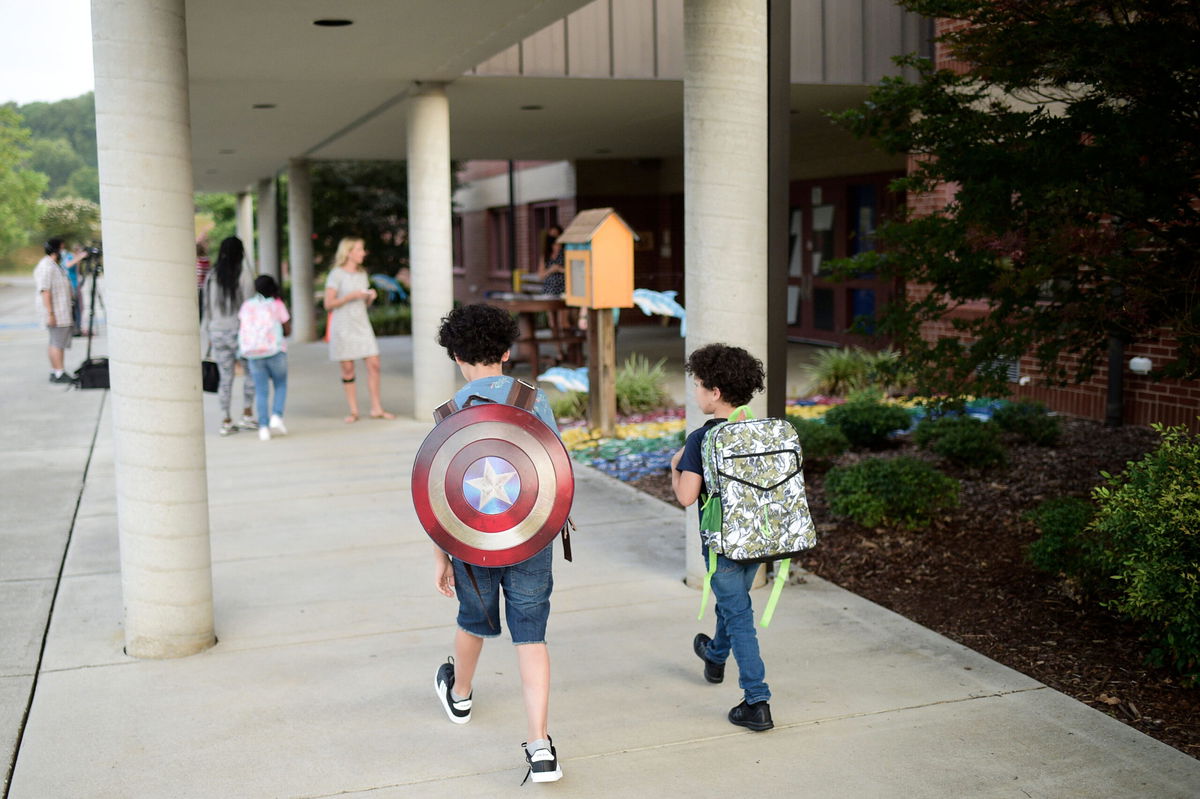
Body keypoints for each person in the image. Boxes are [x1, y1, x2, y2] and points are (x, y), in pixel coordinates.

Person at [431, 304, 564, 784]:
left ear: (457, 357)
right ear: (507, 352)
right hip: (531, 535)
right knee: (531, 635)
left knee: (474, 619)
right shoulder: (535, 400)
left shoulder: (451, 414)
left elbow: (438, 494)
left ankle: (460, 694)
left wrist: (442, 556)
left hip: (471, 542)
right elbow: (555, 468)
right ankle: (540, 745)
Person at [670, 343, 774, 732]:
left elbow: (685, 497)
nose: (695, 392)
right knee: (732, 605)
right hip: (760, 538)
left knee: (739, 614)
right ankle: (714, 655)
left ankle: (757, 700)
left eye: (698, 385)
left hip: (724, 545)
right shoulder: (759, 430)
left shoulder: (702, 438)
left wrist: (676, 466)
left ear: (714, 393)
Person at [324, 236, 394, 422]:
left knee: (374, 364)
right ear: (349, 252)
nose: (364, 253)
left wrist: (370, 297)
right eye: (360, 249)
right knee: (348, 368)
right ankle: (353, 410)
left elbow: (364, 303)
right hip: (343, 325)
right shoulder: (336, 274)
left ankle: (376, 408)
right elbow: (328, 303)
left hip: (361, 324)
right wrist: (350, 296)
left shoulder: (362, 274)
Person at [203, 236, 256, 436]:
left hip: (217, 332)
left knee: (225, 377)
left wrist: (208, 332)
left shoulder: (212, 276)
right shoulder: (244, 275)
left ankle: (226, 419)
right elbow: (249, 307)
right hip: (241, 332)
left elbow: (206, 308)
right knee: (250, 372)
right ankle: (247, 414)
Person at [239, 275, 291, 442]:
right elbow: (287, 329)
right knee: (280, 384)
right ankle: (277, 415)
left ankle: (263, 427)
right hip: (275, 351)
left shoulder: (247, 305)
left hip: (254, 353)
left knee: (261, 391)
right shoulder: (277, 304)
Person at [34, 238, 76, 383]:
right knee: (57, 343)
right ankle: (59, 372)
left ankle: (55, 370)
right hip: (57, 313)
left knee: (55, 342)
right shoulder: (46, 266)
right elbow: (45, 291)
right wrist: (50, 314)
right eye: (62, 248)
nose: (64, 252)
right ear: (56, 249)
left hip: (60, 311)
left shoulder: (53, 265)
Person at [195, 240, 211, 321]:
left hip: (199, 288)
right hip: (206, 287)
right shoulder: (207, 260)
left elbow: (198, 277)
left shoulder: (197, 262)